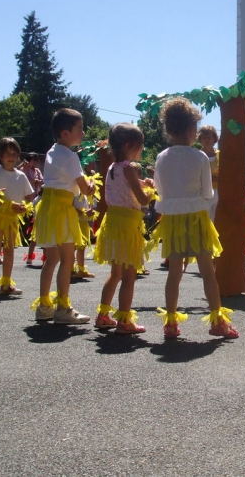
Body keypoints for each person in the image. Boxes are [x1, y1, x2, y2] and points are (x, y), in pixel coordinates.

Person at [150, 97, 238, 339]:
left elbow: (159, 187)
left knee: (174, 272)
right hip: (197, 217)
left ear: (168, 129)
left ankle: (170, 323)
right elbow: (208, 192)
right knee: (207, 270)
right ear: (192, 130)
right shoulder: (200, 157)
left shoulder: (161, 157)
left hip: (173, 220)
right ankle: (217, 321)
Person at [30, 108, 96, 324]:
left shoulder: (52, 151)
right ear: (65, 133)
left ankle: (44, 306)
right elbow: (85, 188)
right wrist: (93, 183)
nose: (83, 133)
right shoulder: (70, 156)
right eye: (79, 129)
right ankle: (63, 308)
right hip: (63, 210)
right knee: (67, 260)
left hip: (48, 208)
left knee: (51, 260)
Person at [92, 123, 153, 334]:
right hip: (127, 226)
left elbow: (123, 191)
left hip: (113, 223)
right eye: (141, 145)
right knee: (129, 276)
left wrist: (140, 183)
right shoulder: (128, 168)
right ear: (129, 145)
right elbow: (143, 199)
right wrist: (151, 190)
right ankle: (124, 321)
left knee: (115, 273)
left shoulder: (112, 167)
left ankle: (103, 315)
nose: (142, 149)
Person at [0, 137, 34, 297]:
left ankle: (6, 283)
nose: (11, 157)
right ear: (0, 156)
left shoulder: (21, 175)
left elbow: (29, 196)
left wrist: (24, 206)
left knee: (10, 250)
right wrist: (9, 204)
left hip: (13, 218)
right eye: (7, 154)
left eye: (14, 153)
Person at [19, 152, 44, 265]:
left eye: (35, 160)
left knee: (31, 223)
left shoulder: (37, 171)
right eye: (33, 160)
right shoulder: (23, 169)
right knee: (25, 221)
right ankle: (23, 238)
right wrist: (24, 166)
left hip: (36, 196)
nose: (34, 162)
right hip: (26, 198)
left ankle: (28, 239)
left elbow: (42, 181)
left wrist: (37, 182)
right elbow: (20, 178)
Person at [197, 125, 219, 220]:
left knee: (216, 219)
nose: (207, 140)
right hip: (203, 193)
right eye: (204, 137)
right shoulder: (197, 156)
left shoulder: (221, 154)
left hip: (219, 192)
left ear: (214, 138)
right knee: (205, 219)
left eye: (209, 137)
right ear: (200, 139)